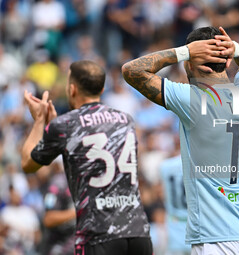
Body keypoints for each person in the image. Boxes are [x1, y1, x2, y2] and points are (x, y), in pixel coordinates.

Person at [122, 26, 239, 254]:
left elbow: (132, 71)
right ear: (228, 62)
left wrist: (183, 51)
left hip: (216, 238)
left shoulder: (194, 99)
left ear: (188, 64)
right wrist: (234, 48)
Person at [21, 60, 152, 255]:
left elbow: (28, 165)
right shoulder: (126, 120)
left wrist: (40, 121)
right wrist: (54, 129)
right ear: (102, 88)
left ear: (72, 89)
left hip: (98, 235)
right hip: (138, 232)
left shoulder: (65, 125)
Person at [41, 160, 76, 255]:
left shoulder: (82, 180)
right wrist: (76, 213)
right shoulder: (57, 183)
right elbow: (48, 218)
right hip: (58, 246)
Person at [160, 154, 191, 255]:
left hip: (174, 225)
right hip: (196, 228)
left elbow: (160, 192)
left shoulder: (165, 165)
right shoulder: (201, 164)